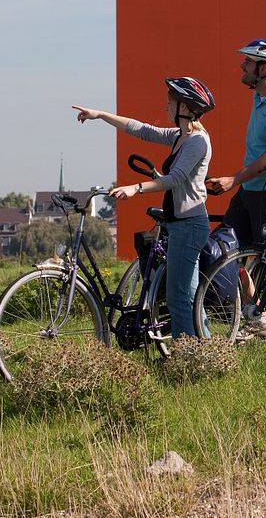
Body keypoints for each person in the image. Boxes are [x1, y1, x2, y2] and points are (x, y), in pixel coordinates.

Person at [72, 76, 214, 340]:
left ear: (185, 106)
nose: (166, 107)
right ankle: (206, 352)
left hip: (190, 225)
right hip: (180, 224)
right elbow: (141, 129)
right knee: (190, 296)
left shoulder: (197, 141)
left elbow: (175, 178)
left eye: (170, 101)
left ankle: (188, 358)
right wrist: (101, 115)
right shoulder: (180, 136)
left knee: (178, 299)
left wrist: (135, 188)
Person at [207, 39, 266, 349]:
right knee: (224, 249)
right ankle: (259, 316)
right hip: (250, 190)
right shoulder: (260, 98)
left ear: (263, 69)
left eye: (247, 63)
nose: (242, 67)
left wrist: (233, 179)